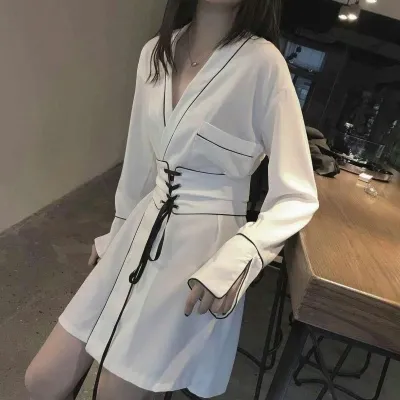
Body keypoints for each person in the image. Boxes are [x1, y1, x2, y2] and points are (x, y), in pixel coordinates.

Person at [25, 0, 319, 399]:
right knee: (43, 379)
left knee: (115, 391)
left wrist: (240, 258)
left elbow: (297, 194)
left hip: (199, 251)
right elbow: (140, 164)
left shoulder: (263, 64)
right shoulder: (155, 52)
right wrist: (117, 232)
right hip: (142, 227)